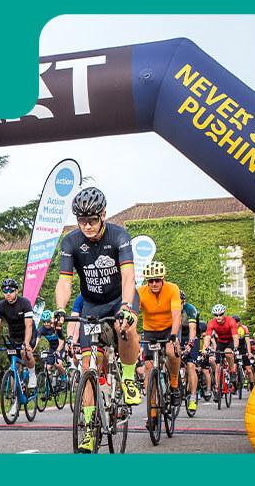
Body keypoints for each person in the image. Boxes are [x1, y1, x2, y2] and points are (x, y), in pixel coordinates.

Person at [53, 186, 140, 453]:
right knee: (88, 367)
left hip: (119, 298)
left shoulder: (119, 236)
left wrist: (126, 306)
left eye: (92, 220)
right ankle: (90, 431)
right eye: (82, 221)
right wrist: (60, 308)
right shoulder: (70, 242)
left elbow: (128, 276)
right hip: (92, 304)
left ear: (103, 215)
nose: (87, 226)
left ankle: (128, 378)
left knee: (126, 326)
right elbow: (65, 282)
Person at [136, 261, 183, 408]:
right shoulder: (140, 292)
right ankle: (152, 409)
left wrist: (173, 335)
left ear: (163, 279)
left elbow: (176, 314)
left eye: (157, 280)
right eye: (150, 281)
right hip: (150, 331)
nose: (154, 284)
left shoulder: (172, 289)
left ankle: (174, 384)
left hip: (169, 328)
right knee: (149, 368)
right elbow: (134, 313)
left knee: (171, 352)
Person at [0, 278, 37, 398]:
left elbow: (29, 325)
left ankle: (32, 374)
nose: (8, 294)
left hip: (28, 333)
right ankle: (14, 398)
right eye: (5, 291)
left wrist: (26, 343)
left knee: (24, 352)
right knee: (14, 367)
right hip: (14, 336)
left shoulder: (24, 303)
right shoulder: (1, 306)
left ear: (16, 291)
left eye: (11, 291)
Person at [203, 304, 239, 398]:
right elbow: (207, 337)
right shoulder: (211, 323)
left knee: (228, 352)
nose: (218, 317)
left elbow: (235, 337)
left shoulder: (231, 321)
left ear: (224, 314)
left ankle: (232, 371)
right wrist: (206, 348)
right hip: (220, 342)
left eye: (220, 314)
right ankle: (217, 388)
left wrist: (235, 348)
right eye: (216, 315)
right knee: (218, 366)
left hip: (230, 341)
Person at [179, 290, 201, 412]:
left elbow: (193, 329)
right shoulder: (170, 309)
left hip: (191, 336)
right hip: (178, 335)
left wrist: (190, 344)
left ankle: (193, 397)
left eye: (180, 302)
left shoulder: (190, 309)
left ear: (184, 302)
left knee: (190, 365)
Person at [34, 312, 67, 389]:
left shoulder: (56, 327)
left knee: (58, 364)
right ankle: (50, 385)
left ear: (51, 321)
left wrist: (58, 350)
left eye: (48, 321)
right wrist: (32, 350)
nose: (46, 324)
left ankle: (64, 377)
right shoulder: (41, 329)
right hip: (52, 348)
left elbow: (62, 341)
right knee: (47, 367)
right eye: (44, 322)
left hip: (61, 346)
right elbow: (36, 341)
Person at [233, 316, 255, 389]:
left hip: (243, 349)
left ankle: (252, 385)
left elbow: (248, 342)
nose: (235, 324)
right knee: (233, 369)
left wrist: (249, 352)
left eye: (237, 322)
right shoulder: (230, 329)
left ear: (239, 322)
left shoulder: (244, 328)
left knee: (248, 370)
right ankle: (234, 385)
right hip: (234, 349)